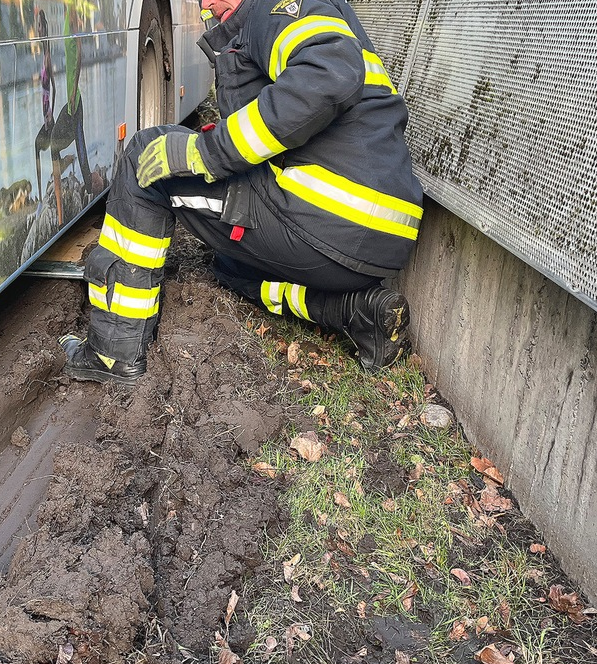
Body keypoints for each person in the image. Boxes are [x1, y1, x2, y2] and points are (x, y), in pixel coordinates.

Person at [59, 0, 425, 384]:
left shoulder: (275, 8)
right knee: (230, 266)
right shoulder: (292, 13)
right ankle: (354, 311)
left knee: (144, 155)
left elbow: (329, 73)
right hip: (377, 244)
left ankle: (112, 352)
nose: (207, 3)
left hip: (326, 218)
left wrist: (205, 153)